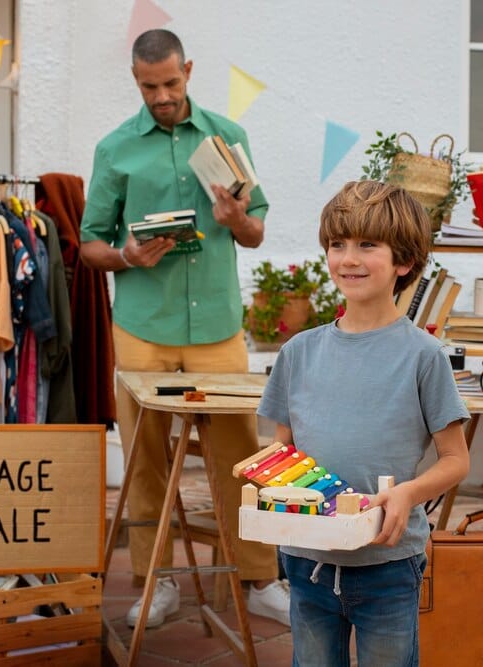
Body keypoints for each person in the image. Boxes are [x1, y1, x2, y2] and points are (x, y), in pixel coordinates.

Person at [79, 28, 288, 627]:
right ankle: (154, 583)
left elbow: (255, 233)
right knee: (145, 461)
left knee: (242, 455)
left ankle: (259, 580)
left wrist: (237, 218)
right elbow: (90, 244)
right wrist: (125, 256)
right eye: (150, 87)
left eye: (171, 83)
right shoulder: (115, 148)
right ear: (136, 80)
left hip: (218, 328)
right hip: (143, 327)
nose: (162, 96)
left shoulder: (229, 137)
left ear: (188, 70)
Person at [257, 180, 471, 665]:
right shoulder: (298, 353)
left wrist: (408, 494)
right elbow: (282, 455)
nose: (348, 258)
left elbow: (456, 460)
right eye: (338, 244)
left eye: (367, 245)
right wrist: (268, 485)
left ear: (404, 262)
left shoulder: (424, 356)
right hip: (308, 560)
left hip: (388, 565)